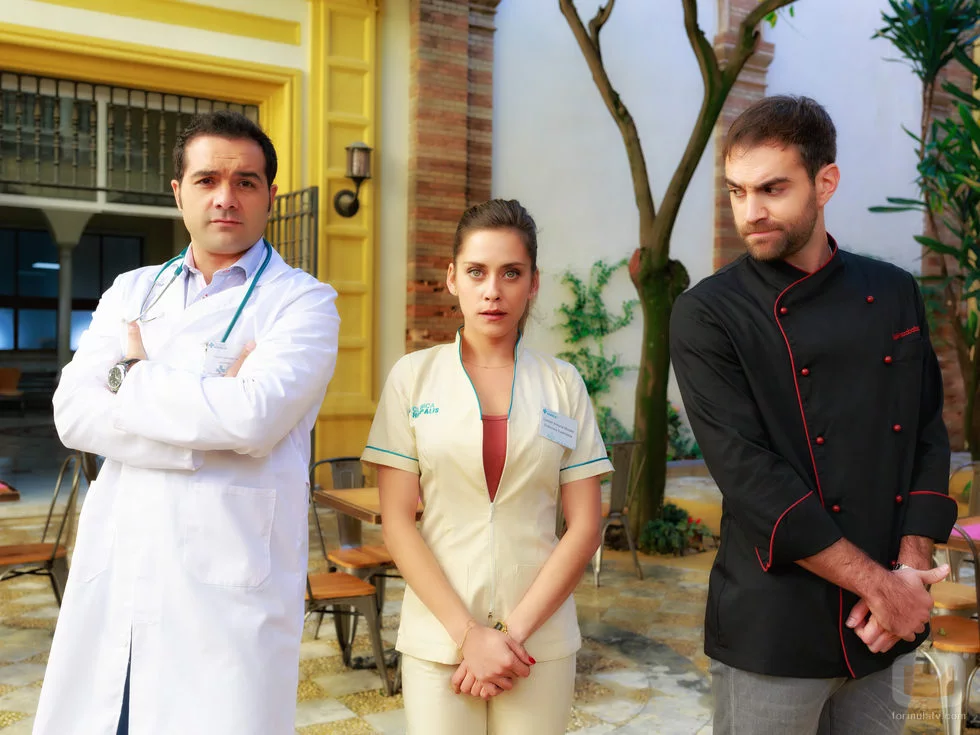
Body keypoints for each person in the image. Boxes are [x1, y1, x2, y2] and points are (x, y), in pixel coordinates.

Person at [33, 111, 340, 735]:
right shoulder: (132, 290)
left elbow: (254, 418)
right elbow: (73, 412)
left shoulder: (304, 302)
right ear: (179, 193)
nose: (226, 197)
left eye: (246, 182)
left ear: (270, 195)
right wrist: (202, 427)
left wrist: (131, 376)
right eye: (207, 180)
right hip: (119, 578)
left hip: (225, 601)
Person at [669, 95, 957, 734]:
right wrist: (881, 588)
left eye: (772, 189)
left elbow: (926, 433)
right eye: (738, 191)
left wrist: (910, 569)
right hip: (775, 628)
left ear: (825, 183)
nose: (750, 211)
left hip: (881, 633)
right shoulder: (707, 314)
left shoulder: (893, 292)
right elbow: (752, 479)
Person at [361, 199, 611, 734]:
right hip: (439, 638)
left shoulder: (563, 384)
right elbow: (398, 521)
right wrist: (468, 636)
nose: (493, 290)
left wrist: (509, 637)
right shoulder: (413, 379)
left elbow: (586, 525)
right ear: (452, 278)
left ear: (533, 283)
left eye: (511, 273)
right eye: (477, 272)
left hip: (536, 643)